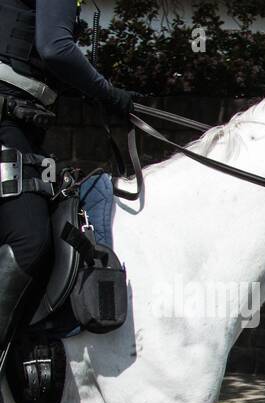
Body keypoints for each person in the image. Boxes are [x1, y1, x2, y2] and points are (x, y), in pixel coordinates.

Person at [0, 0, 135, 356]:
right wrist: (106, 92)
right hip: (6, 124)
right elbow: (55, 48)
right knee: (29, 243)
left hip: (20, 126)